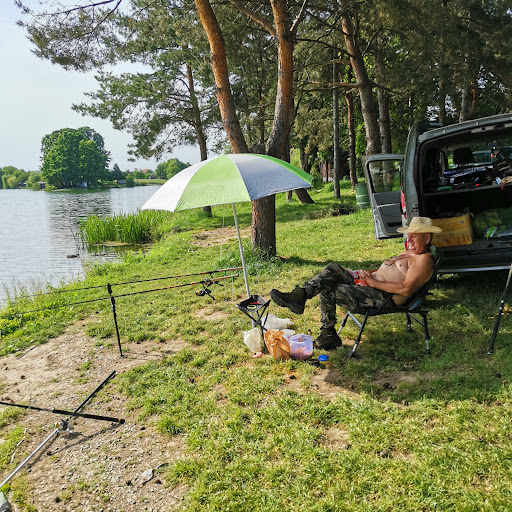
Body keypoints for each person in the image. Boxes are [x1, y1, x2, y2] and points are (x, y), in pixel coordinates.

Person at [270, 216, 442, 350]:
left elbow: (405, 289)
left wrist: (372, 283)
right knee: (332, 269)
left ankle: (327, 334)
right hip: (370, 285)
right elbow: (389, 271)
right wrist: (365, 274)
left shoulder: (423, 260)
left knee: (330, 289)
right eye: (408, 235)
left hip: (383, 297)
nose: (409, 239)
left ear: (427, 238)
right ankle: (301, 295)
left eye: (414, 236)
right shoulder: (409, 253)